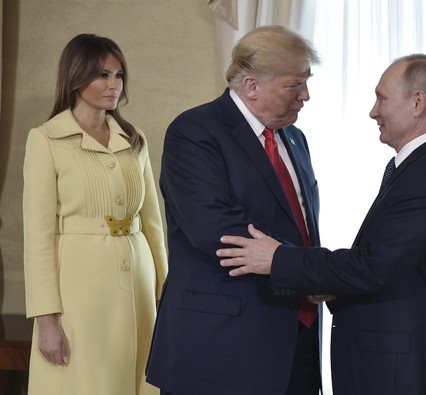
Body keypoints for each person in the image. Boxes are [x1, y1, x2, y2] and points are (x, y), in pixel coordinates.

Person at [217, 54, 426, 395]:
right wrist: (331, 284)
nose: (373, 111)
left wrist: (278, 258)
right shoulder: (422, 167)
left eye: (382, 98)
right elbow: (393, 263)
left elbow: (376, 265)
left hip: (409, 370)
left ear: (417, 102)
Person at [145, 25, 324, 395]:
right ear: (252, 86)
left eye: (306, 83)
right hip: (221, 348)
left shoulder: (295, 137)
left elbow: (301, 225)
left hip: (296, 339)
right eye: (294, 85)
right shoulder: (194, 132)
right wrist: (311, 273)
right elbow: (218, 231)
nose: (306, 95)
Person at [23, 33, 168, 395]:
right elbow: (38, 237)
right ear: (76, 76)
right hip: (79, 294)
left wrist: (167, 294)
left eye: (119, 76)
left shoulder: (135, 140)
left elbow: (153, 224)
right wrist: (46, 320)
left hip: (138, 287)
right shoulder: (46, 139)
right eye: (103, 75)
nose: (114, 85)